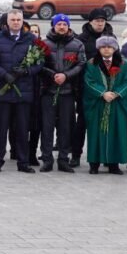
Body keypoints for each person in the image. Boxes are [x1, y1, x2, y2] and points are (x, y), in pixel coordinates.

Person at [0, 9, 42, 173]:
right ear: (7, 22)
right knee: (0, 129)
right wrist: (4, 75)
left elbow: (40, 62)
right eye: (13, 20)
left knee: (23, 130)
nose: (16, 22)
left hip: (23, 92)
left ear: (22, 21)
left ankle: (23, 162)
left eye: (18, 20)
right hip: (3, 92)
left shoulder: (31, 39)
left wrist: (25, 71)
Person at [38, 13, 85, 173]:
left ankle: (63, 159)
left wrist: (66, 75)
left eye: (65, 24)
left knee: (66, 127)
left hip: (67, 92)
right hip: (48, 90)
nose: (62, 27)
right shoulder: (44, 44)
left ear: (68, 26)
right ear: (54, 26)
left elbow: (81, 64)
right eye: (59, 24)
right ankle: (47, 159)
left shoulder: (77, 44)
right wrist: (52, 75)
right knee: (47, 127)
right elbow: (39, 64)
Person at [82, 35, 127, 174]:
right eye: (103, 47)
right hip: (98, 104)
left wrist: (116, 93)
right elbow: (88, 80)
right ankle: (94, 164)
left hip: (116, 104)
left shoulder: (123, 64)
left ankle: (113, 164)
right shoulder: (92, 64)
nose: (106, 49)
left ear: (114, 49)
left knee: (116, 133)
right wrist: (103, 93)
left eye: (109, 47)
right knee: (96, 133)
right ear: (98, 49)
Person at [71, 8, 114, 167]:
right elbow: (78, 64)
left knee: (105, 123)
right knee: (82, 123)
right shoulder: (81, 39)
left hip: (107, 89)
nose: (100, 23)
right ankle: (76, 155)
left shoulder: (111, 38)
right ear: (90, 22)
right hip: (86, 88)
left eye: (102, 21)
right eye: (97, 21)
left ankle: (106, 156)